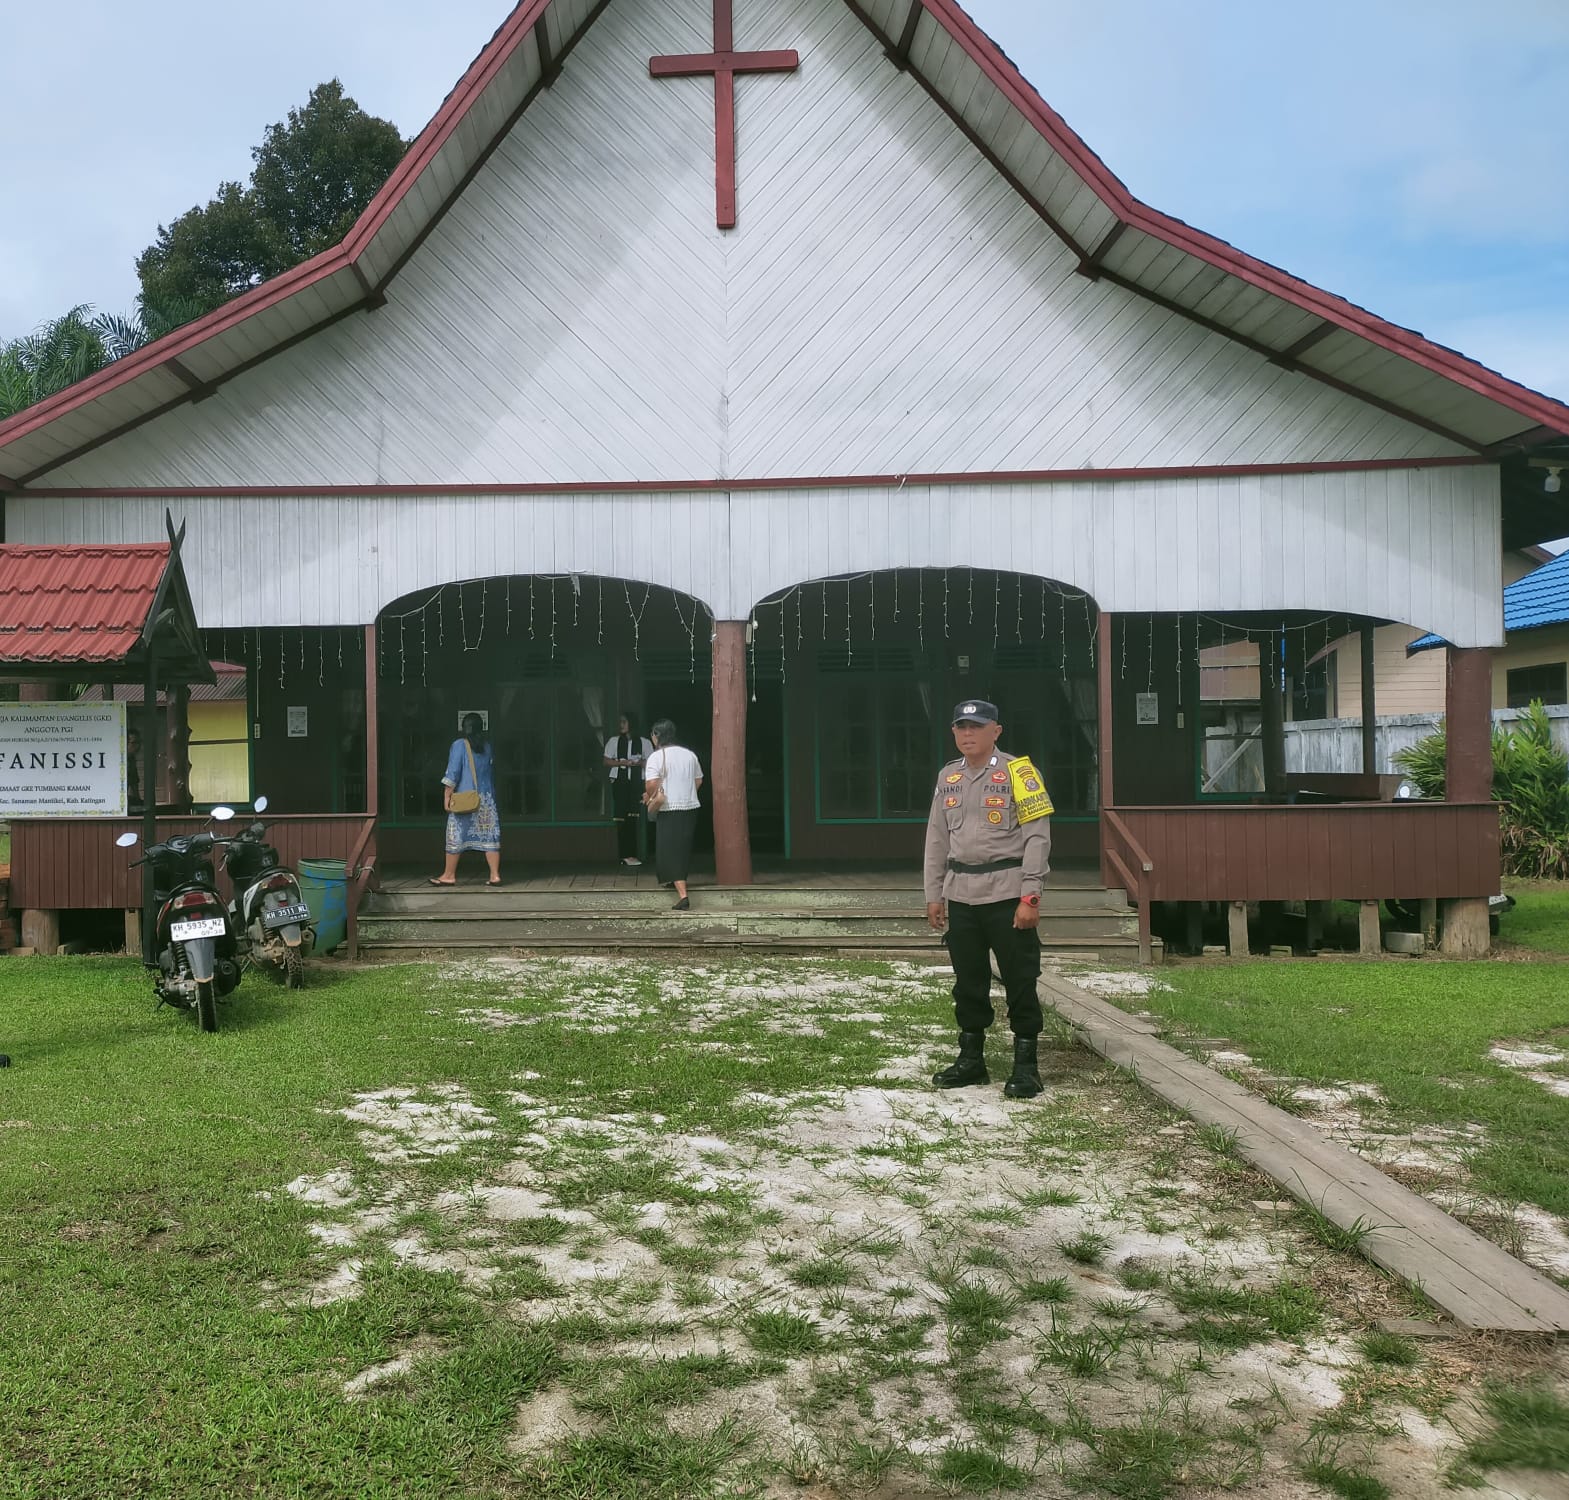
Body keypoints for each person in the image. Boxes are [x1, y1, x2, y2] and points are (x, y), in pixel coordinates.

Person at [924, 699, 1052, 1099]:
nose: (967, 734)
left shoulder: (1021, 773)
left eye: (976, 727)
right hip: (961, 894)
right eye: (961, 727)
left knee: (1020, 977)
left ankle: (1026, 1066)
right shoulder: (948, 777)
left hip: (1006, 891)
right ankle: (971, 1060)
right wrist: (934, 893)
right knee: (968, 981)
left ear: (996, 730)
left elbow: (1037, 837)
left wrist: (1030, 895)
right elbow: (936, 839)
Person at [432, 713, 502, 886]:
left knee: (455, 835)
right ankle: (494, 875)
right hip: (486, 800)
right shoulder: (487, 747)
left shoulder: (459, 745)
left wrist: (447, 795)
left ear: (464, 727)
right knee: (490, 837)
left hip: (465, 799)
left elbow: (453, 773)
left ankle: (449, 875)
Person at [643, 718, 702, 910]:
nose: (652, 738)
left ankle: (683, 896)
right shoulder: (690, 755)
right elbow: (698, 780)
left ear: (657, 735)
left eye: (652, 734)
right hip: (690, 806)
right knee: (681, 848)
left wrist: (651, 796)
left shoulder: (656, 757)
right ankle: (672, 881)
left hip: (670, 808)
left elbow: (651, 784)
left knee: (669, 850)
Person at [603, 713, 653, 866]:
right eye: (620, 722)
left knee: (634, 818)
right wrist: (620, 763)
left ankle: (633, 854)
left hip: (637, 783)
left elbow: (651, 762)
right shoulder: (614, 741)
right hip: (620, 782)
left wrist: (637, 763)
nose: (621, 724)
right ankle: (624, 855)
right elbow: (606, 761)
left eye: (624, 721)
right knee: (621, 818)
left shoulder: (644, 742)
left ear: (632, 723)